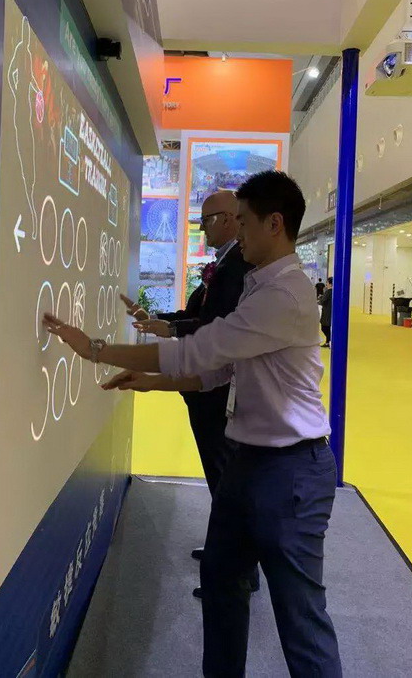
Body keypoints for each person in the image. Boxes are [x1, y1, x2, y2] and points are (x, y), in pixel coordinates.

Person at [44, 170, 342, 678]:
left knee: (300, 618)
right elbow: (220, 370)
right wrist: (152, 382)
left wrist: (95, 349)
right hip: (247, 464)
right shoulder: (259, 285)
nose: (235, 232)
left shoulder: (285, 295)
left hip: (291, 473)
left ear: (274, 224)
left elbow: (200, 350)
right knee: (222, 586)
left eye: (243, 222)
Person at [121, 190, 257, 599]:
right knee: (220, 478)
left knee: (225, 479)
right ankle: (229, 557)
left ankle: (236, 569)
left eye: (207, 219)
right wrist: (160, 320)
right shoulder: (224, 265)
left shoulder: (238, 268)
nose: (201, 227)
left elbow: (217, 327)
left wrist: (171, 330)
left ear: (230, 218)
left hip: (216, 391)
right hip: (206, 388)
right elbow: (198, 315)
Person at [320, 277, 333, 348]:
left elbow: (323, 301)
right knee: (328, 328)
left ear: (330, 284)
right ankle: (328, 342)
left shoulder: (328, 292)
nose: (326, 284)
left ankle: (330, 341)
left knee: (324, 328)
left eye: (327, 282)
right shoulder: (334, 291)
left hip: (326, 312)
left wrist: (320, 299)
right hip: (331, 312)